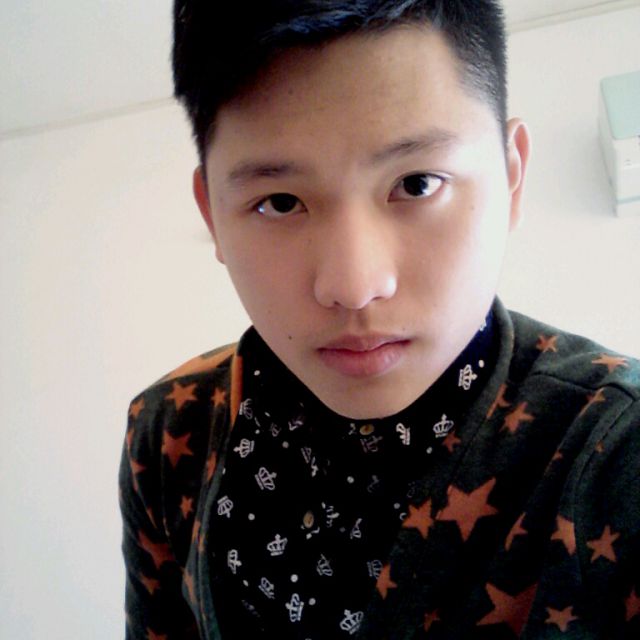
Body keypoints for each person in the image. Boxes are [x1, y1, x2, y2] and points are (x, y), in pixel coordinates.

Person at [119, 1, 640, 638]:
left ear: (511, 177)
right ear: (212, 216)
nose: (353, 287)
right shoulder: (170, 434)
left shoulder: (616, 450)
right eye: (279, 202)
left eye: (417, 184)